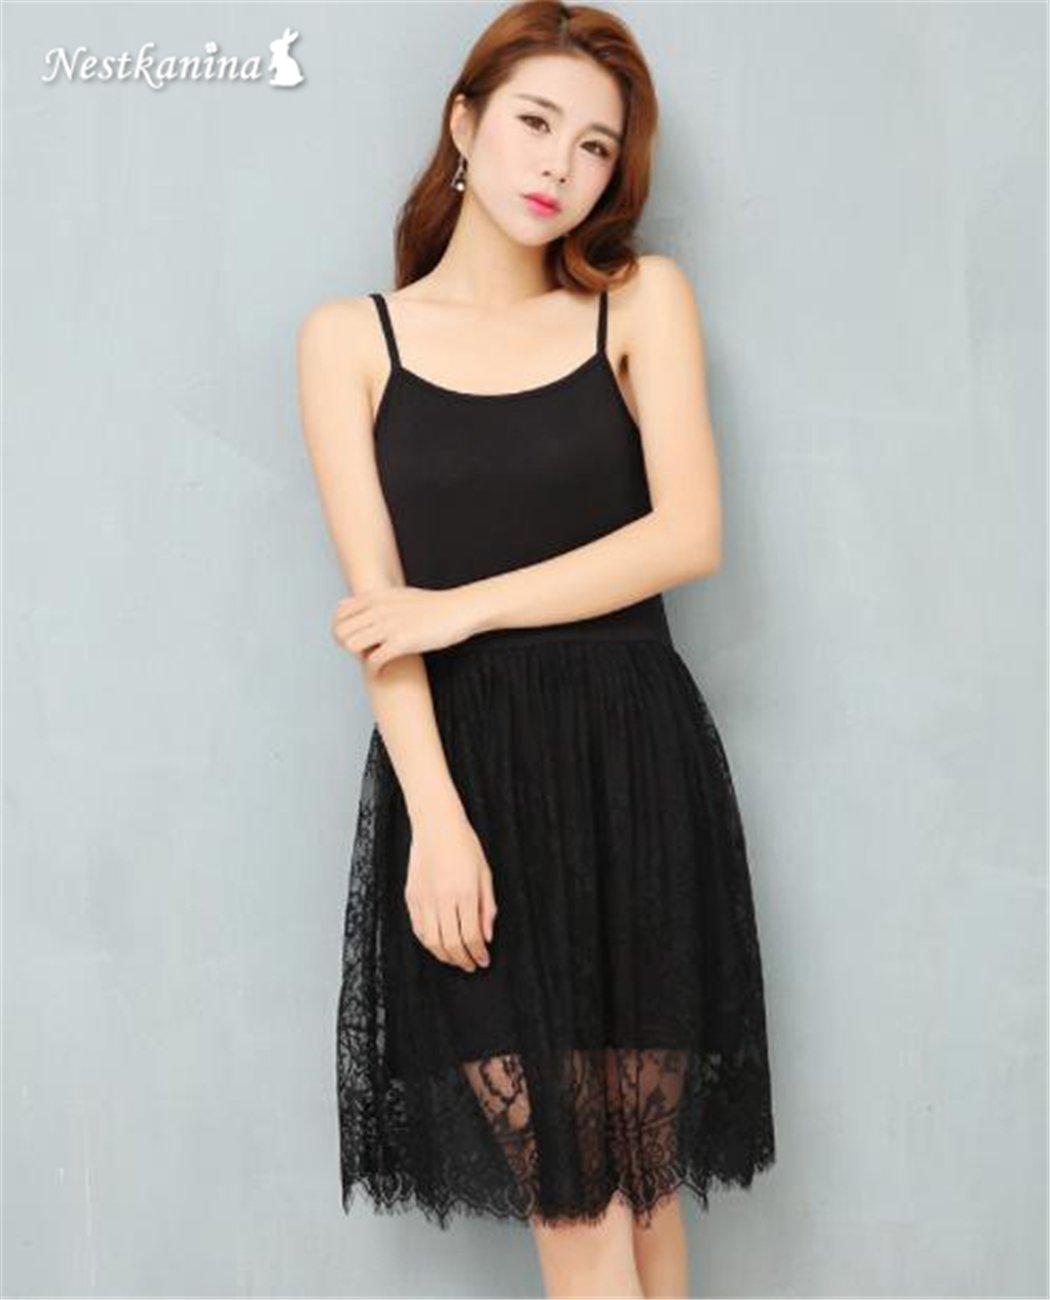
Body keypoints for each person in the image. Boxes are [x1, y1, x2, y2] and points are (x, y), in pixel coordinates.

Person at [297, 2, 775, 1294]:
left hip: (633, 768)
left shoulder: (638, 302)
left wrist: (463, 606)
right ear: (463, 124)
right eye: (534, 122)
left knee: (642, 1201)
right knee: (575, 1202)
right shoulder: (350, 342)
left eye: (595, 146)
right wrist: (435, 822)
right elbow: (379, 613)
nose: (559, 165)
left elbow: (687, 534)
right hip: (469, 783)